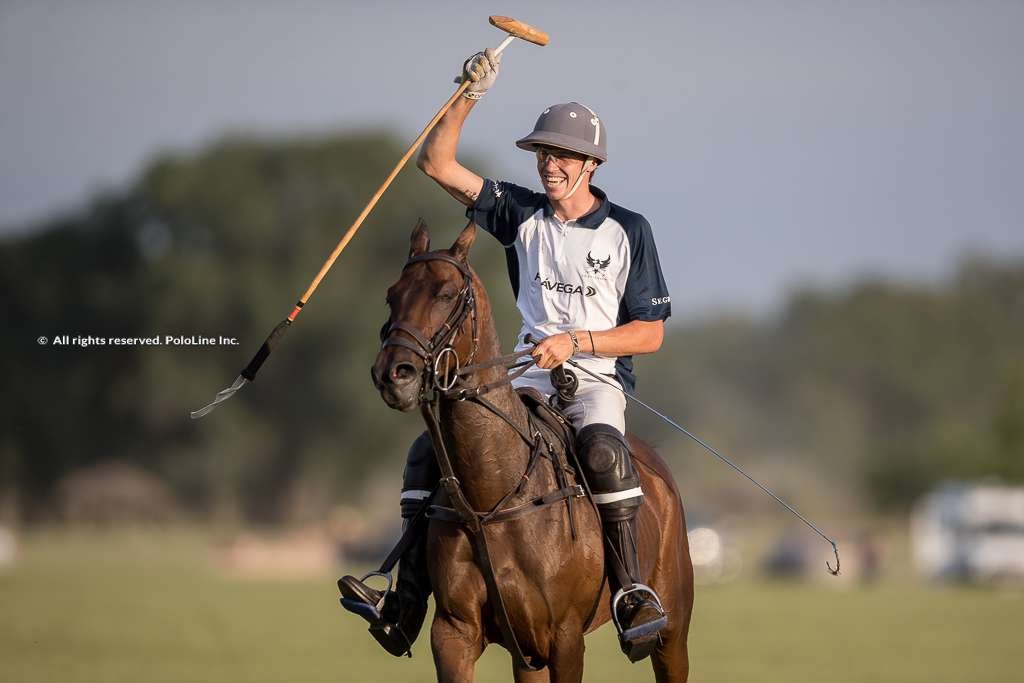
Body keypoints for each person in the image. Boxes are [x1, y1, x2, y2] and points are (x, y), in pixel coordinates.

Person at [339, 48, 673, 662]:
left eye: (563, 155)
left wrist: (577, 342)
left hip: (595, 378)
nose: (550, 165)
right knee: (426, 451)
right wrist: (471, 92)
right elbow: (436, 162)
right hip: (522, 374)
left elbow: (649, 332)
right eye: (544, 154)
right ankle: (404, 594)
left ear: (591, 163)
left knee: (602, 451)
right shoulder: (520, 214)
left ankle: (632, 592)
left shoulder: (629, 229)